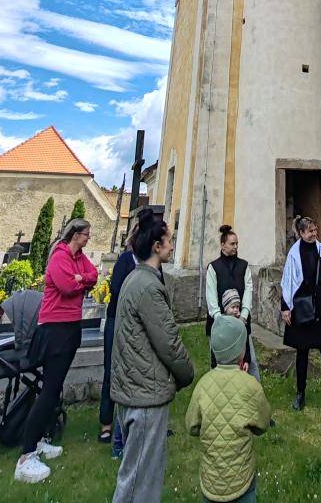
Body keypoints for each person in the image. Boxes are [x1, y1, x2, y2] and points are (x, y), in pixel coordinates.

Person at [111, 210, 194, 503]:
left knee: (133, 473)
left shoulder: (135, 279)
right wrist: (187, 374)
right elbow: (169, 342)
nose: (172, 246)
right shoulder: (147, 286)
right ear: (156, 246)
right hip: (145, 392)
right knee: (140, 482)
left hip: (134, 386)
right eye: (169, 241)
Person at [15, 218, 97, 484]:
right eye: (86, 235)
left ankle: (40, 440)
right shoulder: (59, 257)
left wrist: (82, 279)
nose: (88, 239)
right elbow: (67, 287)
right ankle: (26, 455)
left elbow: (93, 276)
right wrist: (80, 282)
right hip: (55, 329)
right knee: (49, 389)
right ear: (75, 234)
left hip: (71, 326)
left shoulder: (79, 258)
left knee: (55, 387)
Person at [186, 314, 271, 503]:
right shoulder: (250, 385)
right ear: (241, 351)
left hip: (210, 479)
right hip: (243, 479)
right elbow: (263, 423)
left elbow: (191, 425)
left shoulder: (203, 385)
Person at [280, 215, 321, 412]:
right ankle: (300, 394)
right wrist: (285, 307)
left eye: (315, 230)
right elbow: (288, 282)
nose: (314, 234)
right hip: (303, 308)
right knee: (302, 353)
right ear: (301, 233)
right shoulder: (293, 254)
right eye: (310, 231)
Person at [99, 223, 138, 450]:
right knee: (112, 371)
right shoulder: (126, 259)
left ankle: (128, 424)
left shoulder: (149, 262)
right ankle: (106, 423)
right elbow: (116, 288)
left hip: (137, 324)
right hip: (118, 320)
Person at [206, 225, 253, 369]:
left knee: (244, 362)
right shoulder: (213, 267)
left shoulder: (243, 266)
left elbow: (248, 290)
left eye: (237, 243)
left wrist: (243, 315)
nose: (235, 246)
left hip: (241, 321)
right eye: (232, 243)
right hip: (219, 322)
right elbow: (211, 295)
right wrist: (219, 319)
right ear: (222, 245)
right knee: (220, 364)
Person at [221, 288, 261, 382]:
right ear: (226, 308)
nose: (235, 310)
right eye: (232, 307)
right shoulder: (222, 325)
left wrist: (247, 360)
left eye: (237, 307)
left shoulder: (242, 324)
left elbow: (245, 342)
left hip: (241, 361)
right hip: (228, 362)